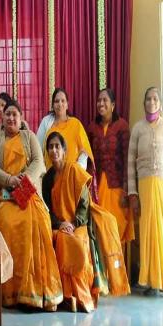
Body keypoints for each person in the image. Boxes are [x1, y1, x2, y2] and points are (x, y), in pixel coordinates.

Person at [0, 99, 62, 310]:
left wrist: (22, 181)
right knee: (8, 224)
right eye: (8, 114)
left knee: (38, 221)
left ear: (21, 119)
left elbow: (39, 162)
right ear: (2, 117)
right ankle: (12, 292)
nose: (11, 118)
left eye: (15, 115)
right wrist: (9, 180)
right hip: (4, 194)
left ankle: (34, 292)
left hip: (28, 192)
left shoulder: (29, 137)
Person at [43, 132, 129, 312]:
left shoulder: (74, 170)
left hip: (79, 224)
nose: (54, 150)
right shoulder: (48, 178)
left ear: (64, 150)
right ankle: (64, 295)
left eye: (57, 146)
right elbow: (47, 209)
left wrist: (73, 224)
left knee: (76, 241)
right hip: (59, 225)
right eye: (50, 147)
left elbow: (84, 204)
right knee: (59, 239)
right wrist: (60, 224)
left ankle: (79, 295)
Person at [128, 87, 163, 300]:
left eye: (155, 98)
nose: (151, 102)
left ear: (160, 103)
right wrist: (132, 193)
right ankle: (152, 282)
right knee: (148, 233)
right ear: (144, 103)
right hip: (145, 187)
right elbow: (131, 163)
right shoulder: (138, 128)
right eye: (148, 99)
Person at [86, 88, 134, 244]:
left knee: (116, 229)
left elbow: (128, 158)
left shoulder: (122, 126)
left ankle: (117, 267)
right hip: (97, 186)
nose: (101, 103)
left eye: (105, 100)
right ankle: (104, 269)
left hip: (117, 186)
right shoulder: (92, 127)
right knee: (100, 229)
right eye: (99, 100)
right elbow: (88, 159)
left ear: (113, 105)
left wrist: (127, 189)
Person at [37, 88, 93, 170]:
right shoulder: (46, 122)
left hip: (72, 175)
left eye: (63, 101)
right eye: (56, 101)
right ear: (52, 105)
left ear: (67, 104)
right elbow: (38, 149)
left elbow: (84, 151)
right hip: (51, 174)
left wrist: (77, 168)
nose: (60, 104)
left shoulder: (75, 124)